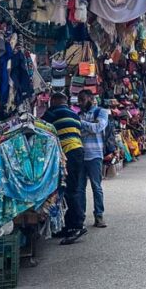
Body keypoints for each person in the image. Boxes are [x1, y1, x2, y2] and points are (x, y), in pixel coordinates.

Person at [42, 92, 87, 244]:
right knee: (69, 189)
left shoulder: (53, 113)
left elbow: (40, 128)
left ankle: (77, 226)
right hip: (78, 152)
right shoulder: (74, 115)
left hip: (68, 153)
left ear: (54, 101)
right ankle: (67, 226)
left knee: (70, 191)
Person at [77, 89, 109, 228]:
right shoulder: (78, 115)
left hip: (95, 154)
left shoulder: (101, 112)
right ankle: (80, 217)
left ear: (90, 98)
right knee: (80, 188)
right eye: (79, 101)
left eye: (83, 100)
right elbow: (79, 133)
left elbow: (98, 128)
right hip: (80, 155)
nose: (80, 103)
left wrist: (82, 124)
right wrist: (89, 126)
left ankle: (99, 215)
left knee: (96, 186)